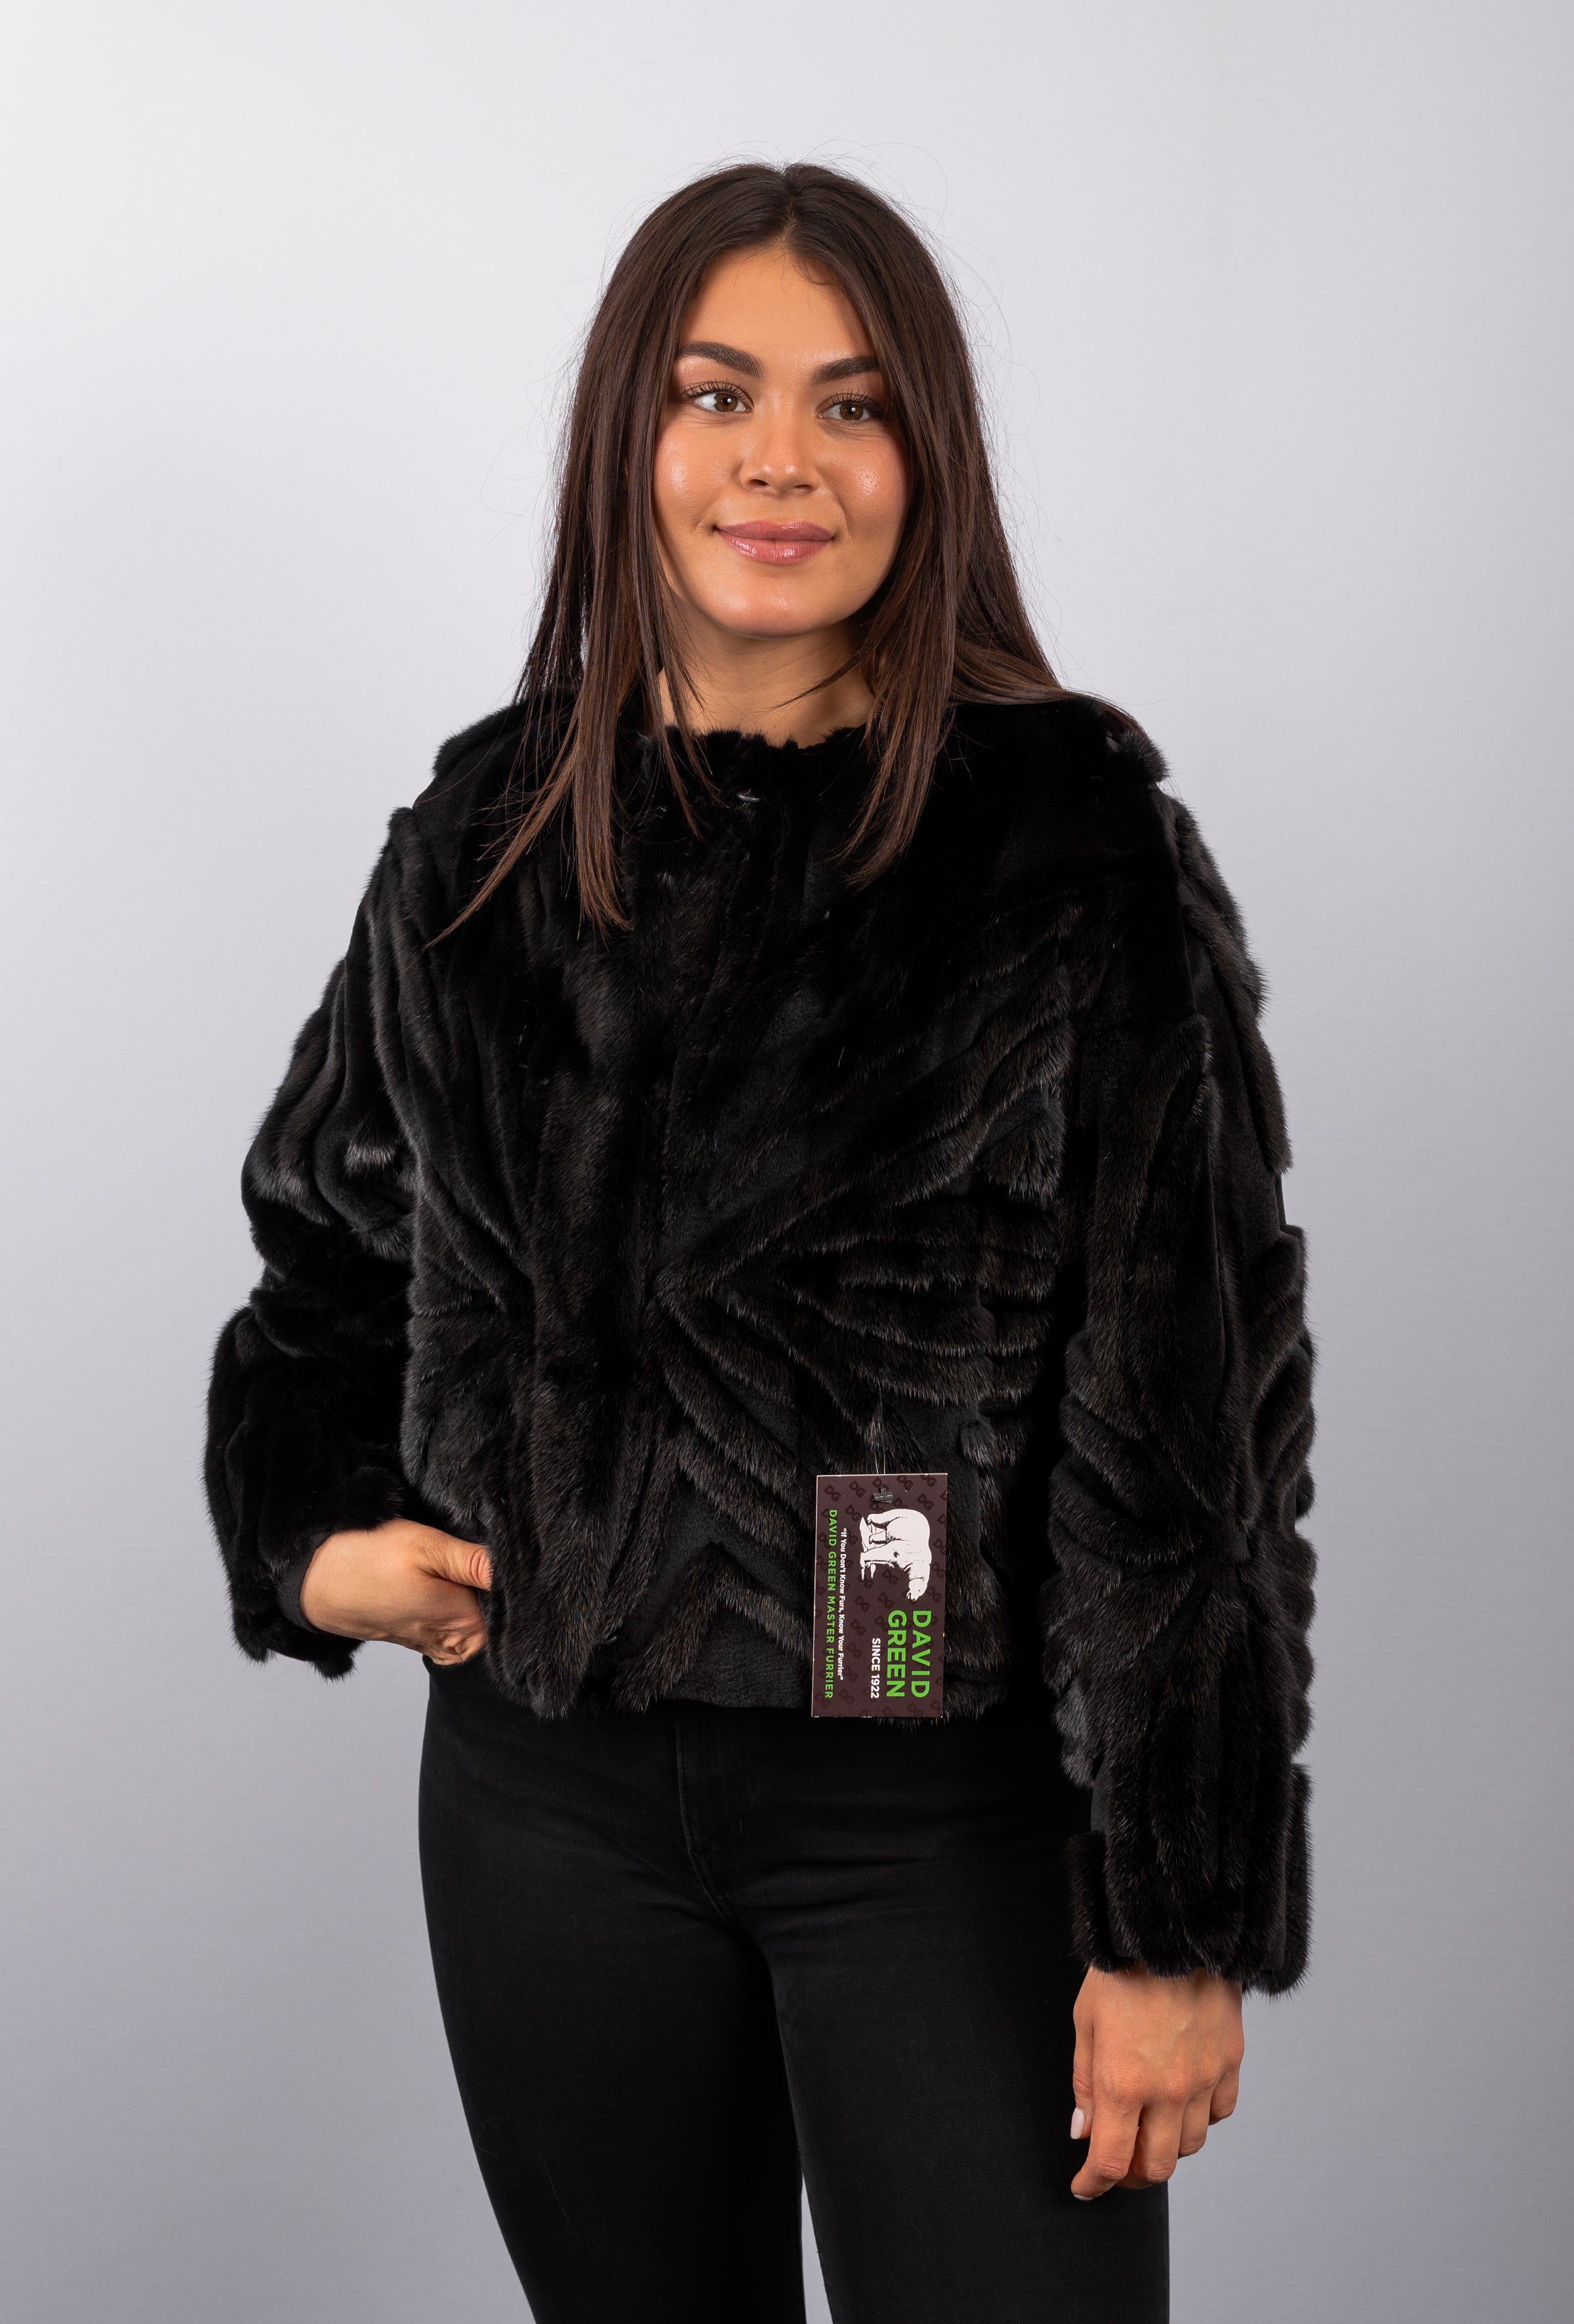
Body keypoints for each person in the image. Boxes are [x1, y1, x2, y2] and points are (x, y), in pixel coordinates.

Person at [205, 161, 1315, 2324]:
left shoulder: (1072, 850)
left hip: (942, 1825)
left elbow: (1193, 1431)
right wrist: (309, 1540)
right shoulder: (477, 837)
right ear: (630, 435)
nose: (780, 460)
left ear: (929, 457)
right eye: (718, 394)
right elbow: (325, 1259)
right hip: (545, 1809)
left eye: (853, 403)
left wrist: (1173, 1915)